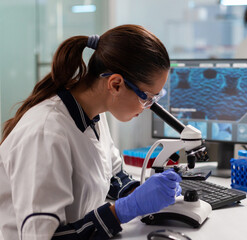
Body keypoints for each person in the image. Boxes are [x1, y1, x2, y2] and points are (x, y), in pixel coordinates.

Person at [0, 24, 182, 240]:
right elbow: (42, 237)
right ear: (115, 84)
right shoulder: (46, 134)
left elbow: (112, 174)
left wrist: (141, 195)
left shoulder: (95, 114)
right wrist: (124, 210)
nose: (147, 107)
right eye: (146, 98)